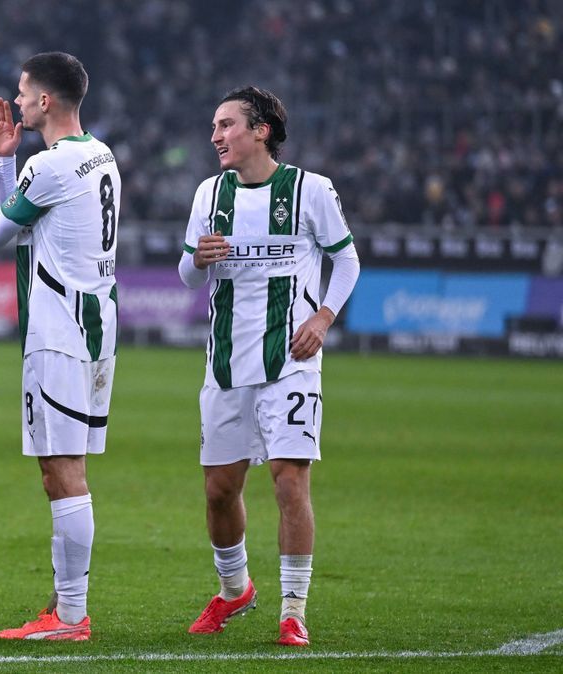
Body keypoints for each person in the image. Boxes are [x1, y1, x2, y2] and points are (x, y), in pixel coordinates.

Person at [178, 87, 360, 647]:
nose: (216, 136)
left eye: (226, 125)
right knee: (219, 490)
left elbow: (346, 259)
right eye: (214, 126)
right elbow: (187, 275)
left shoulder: (310, 190)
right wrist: (196, 260)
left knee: (289, 481)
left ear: (261, 131)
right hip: (227, 362)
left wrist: (323, 318)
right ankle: (235, 590)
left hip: (292, 361)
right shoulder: (210, 193)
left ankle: (293, 609)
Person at [0, 51, 119, 641]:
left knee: (62, 472)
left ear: (46, 101)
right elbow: (25, 225)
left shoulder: (52, 166)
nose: (18, 99)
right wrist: (9, 166)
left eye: (24, 91)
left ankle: (71, 617)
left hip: (58, 334)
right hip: (97, 328)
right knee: (65, 470)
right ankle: (64, 603)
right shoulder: (99, 154)